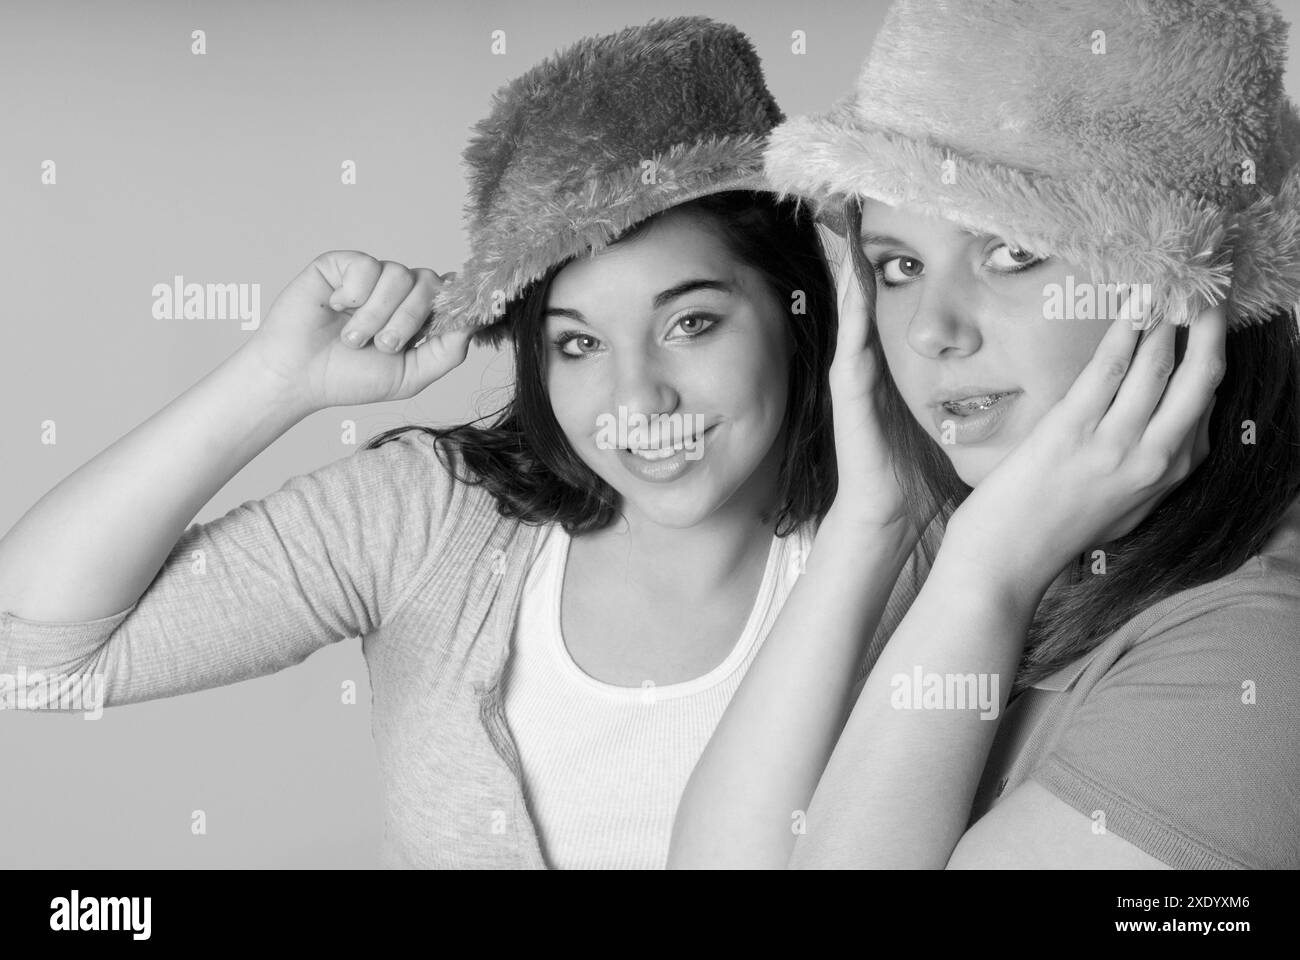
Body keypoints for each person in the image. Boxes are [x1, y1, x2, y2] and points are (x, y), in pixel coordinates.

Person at [0, 17, 850, 869]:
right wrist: (276, 381)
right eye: (578, 344)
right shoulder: (435, 518)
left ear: (794, 307)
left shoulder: (906, 552)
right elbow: (29, 658)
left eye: (691, 322)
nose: (637, 398)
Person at [668, 0, 1300, 869]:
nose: (932, 331)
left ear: (1183, 288)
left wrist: (986, 577)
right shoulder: (960, 534)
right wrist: (871, 523)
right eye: (899, 265)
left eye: (1010, 252)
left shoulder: (1257, 661)